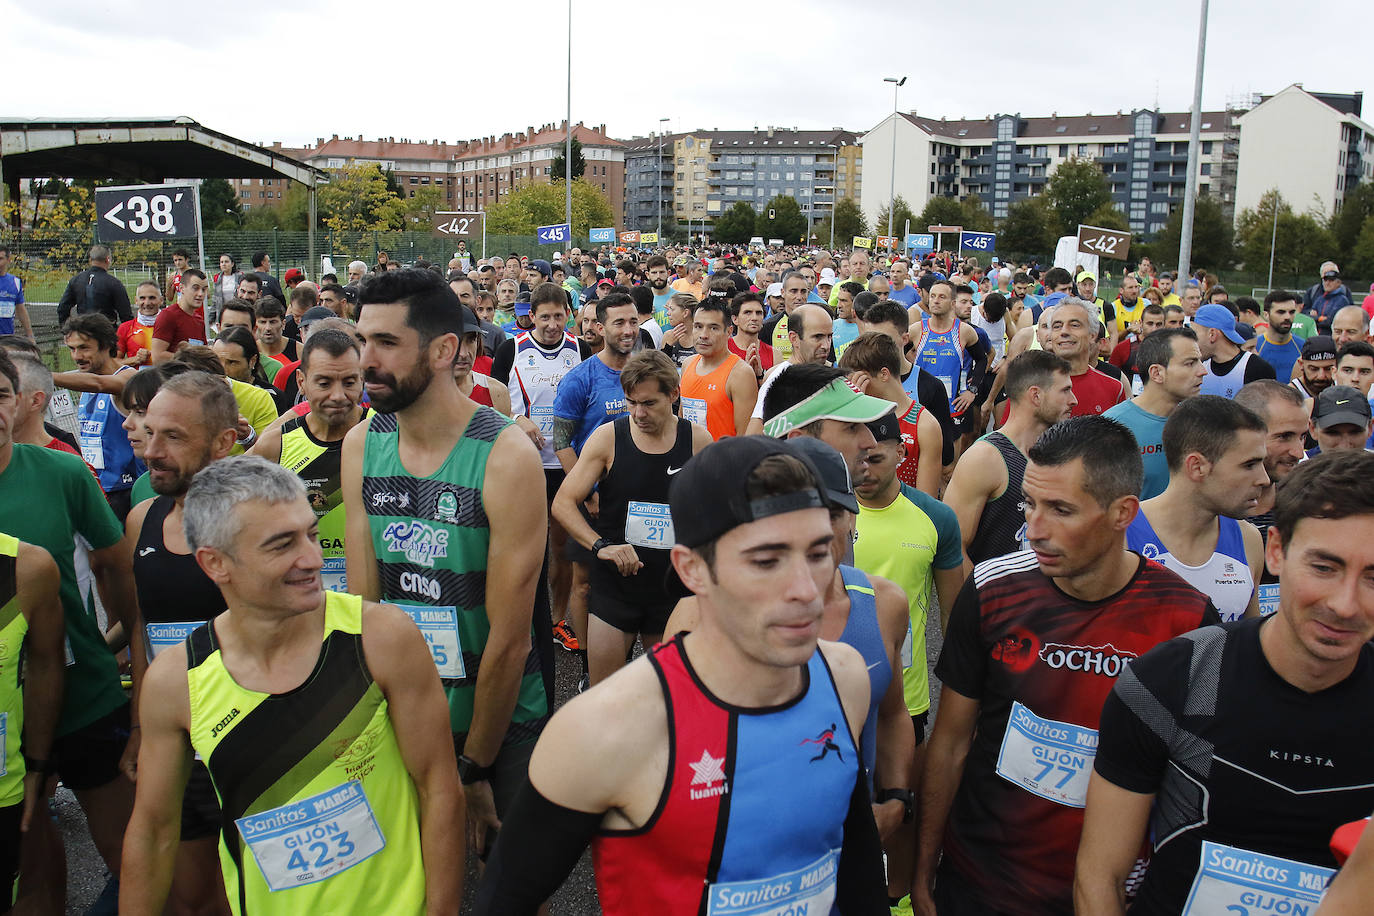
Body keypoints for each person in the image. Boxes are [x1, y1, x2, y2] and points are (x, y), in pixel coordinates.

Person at [474, 436, 888, 915]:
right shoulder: (606, 728)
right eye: (766, 560)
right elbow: (503, 901)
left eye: (818, 554)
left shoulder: (845, 678)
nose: (804, 590)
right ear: (692, 570)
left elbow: (858, 876)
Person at [119, 457, 462, 915]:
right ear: (215, 562)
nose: (314, 559)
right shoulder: (177, 681)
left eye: (312, 534)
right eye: (283, 545)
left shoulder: (381, 637)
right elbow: (154, 833)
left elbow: (438, 789)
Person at [915, 416, 1220, 915]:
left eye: (1060, 510)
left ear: (1123, 513)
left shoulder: (1186, 618)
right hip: (982, 883)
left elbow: (1196, 778)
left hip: (1111, 895)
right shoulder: (993, 589)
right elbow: (948, 742)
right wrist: (924, 865)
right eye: (1029, 504)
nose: (1034, 530)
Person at [1077, 449, 1374, 915]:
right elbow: (1101, 876)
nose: (1345, 604)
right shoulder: (1171, 679)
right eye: (1324, 567)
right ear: (1275, 550)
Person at [342, 268, 547, 861]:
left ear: (444, 351)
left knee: (509, 884)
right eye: (362, 341)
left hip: (501, 723)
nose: (366, 360)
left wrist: (476, 765)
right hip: (407, 707)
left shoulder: (506, 456)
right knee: (422, 880)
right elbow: (365, 608)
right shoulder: (363, 444)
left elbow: (510, 640)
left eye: (385, 344)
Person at [0, 349, 140, 905]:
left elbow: (118, 569)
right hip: (9, 714)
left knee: (127, 849)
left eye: (0, 396)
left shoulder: (60, 472)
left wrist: (132, 651)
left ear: (19, 404)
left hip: (83, 691)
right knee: (29, 853)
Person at [120, 370, 238, 915]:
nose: (153, 451)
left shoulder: (255, 524)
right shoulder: (143, 517)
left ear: (224, 442)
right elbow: (142, 626)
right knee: (192, 898)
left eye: (174, 437)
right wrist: (140, 728)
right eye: (151, 431)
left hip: (244, 739)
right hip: (176, 741)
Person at [552, 351, 711, 684]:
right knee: (604, 695)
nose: (638, 413)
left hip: (671, 588)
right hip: (616, 587)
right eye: (631, 402)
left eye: (649, 403)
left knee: (668, 696)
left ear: (673, 394)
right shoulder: (609, 437)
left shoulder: (696, 440)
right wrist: (600, 546)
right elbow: (564, 502)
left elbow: (713, 512)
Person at [1125, 396, 1268, 622]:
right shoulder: (1119, 536)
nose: (1264, 479)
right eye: (1249, 465)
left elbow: (1248, 643)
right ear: (1197, 466)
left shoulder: (1249, 539)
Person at [251, 329, 366, 594]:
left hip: (372, 596)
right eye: (324, 383)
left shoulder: (385, 437)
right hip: (300, 594)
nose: (338, 395)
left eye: (349, 382)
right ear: (301, 382)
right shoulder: (275, 446)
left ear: (362, 379)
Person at [944, 351, 1076, 566]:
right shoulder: (985, 458)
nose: (1074, 400)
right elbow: (954, 547)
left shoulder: (1060, 454)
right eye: (1065, 391)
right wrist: (978, 599)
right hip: (997, 596)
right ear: (1036, 395)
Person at [54, 313, 143, 520]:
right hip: (97, 488)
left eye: (84, 348)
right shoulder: (85, 381)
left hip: (127, 490)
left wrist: (39, 377)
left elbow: (100, 384)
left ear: (106, 345)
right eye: (72, 349)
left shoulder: (126, 377)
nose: (77, 356)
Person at [1103, 328, 1207, 501]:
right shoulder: (1112, 426)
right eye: (1190, 363)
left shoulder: (1200, 422)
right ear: (1157, 373)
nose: (1203, 371)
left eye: (1200, 362)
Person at [838, 331, 942, 496]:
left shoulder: (924, 425)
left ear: (883, 374)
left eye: (859, 378)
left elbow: (926, 500)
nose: (853, 386)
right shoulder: (856, 418)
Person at [857, 301, 957, 465]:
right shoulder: (858, 383)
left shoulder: (931, 387)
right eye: (867, 340)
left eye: (883, 341)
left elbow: (946, 456)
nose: (873, 349)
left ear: (905, 339)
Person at [910, 280, 988, 452]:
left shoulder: (964, 331)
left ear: (952, 303)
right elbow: (899, 361)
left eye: (942, 297)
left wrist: (972, 391)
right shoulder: (916, 330)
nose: (936, 301)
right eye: (932, 296)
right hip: (921, 409)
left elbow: (982, 360)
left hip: (951, 409)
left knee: (949, 467)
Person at [743, 304, 835, 436]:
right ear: (794, 338)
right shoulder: (779, 377)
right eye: (817, 337)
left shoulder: (832, 374)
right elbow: (754, 436)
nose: (826, 346)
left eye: (829, 337)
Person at [679, 297, 757, 440]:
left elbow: (745, 438)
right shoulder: (688, 364)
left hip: (723, 460)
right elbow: (682, 419)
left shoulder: (740, 373)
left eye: (713, 328)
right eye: (698, 326)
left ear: (729, 331)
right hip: (691, 460)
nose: (703, 335)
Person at [1049, 298, 1129, 416]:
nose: (1064, 331)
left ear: (1092, 335)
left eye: (1074, 325)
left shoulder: (1114, 388)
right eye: (1057, 326)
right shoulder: (1031, 384)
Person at [1194, 302, 1275, 397]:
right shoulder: (1199, 366)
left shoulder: (1258, 369)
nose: (1192, 341)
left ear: (1212, 334)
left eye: (1195, 334)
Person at [57, 245, 133, 326]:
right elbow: (126, 315)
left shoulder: (76, 280)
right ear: (108, 259)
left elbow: (62, 308)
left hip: (82, 332)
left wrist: (66, 330)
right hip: (106, 332)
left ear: (90, 260)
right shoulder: (114, 283)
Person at [151, 269, 210, 364]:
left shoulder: (199, 320)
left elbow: (203, 353)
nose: (200, 294)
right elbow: (157, 356)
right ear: (181, 288)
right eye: (195, 288)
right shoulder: (168, 316)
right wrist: (190, 359)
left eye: (204, 289)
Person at [1307, 384, 1373, 454]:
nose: (1344, 446)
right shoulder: (1300, 462)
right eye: (1333, 433)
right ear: (1313, 429)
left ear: (1370, 428)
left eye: (1355, 433)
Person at [1256, 290, 1305, 382]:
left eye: (1291, 312)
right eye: (1281, 312)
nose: (1287, 317)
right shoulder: (1254, 347)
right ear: (1266, 315)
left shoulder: (1304, 347)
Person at [727, 290, 775, 381]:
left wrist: (760, 376)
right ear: (735, 319)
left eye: (758, 313)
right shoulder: (723, 349)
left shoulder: (775, 354)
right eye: (747, 312)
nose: (754, 318)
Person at [1291, 334, 1338, 399]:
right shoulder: (1290, 397)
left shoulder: (1344, 389)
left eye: (1328, 369)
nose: (1321, 376)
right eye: (1314, 369)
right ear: (1301, 364)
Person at [0, 246, 31, 342]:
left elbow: (21, 310)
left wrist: (30, 336)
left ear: (8, 260)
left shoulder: (15, 282)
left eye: (0, 259)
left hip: (7, 339)